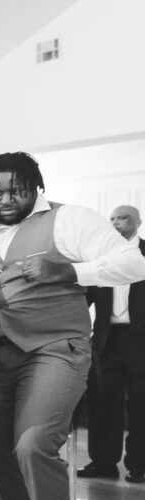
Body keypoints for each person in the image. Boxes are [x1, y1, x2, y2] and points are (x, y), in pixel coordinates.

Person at [0, 152, 145, 500]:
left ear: (36, 186)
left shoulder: (70, 220)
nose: (5, 199)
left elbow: (134, 264)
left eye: (16, 190)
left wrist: (67, 270)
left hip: (55, 348)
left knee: (34, 443)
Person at [79, 205, 145, 483]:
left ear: (138, 222)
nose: (117, 223)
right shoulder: (100, 258)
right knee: (104, 403)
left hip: (140, 339)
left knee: (141, 405)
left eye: (123, 218)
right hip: (107, 340)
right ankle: (103, 463)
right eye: (113, 218)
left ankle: (139, 466)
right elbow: (85, 298)